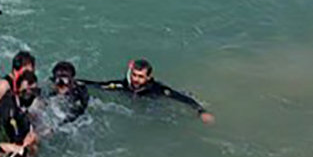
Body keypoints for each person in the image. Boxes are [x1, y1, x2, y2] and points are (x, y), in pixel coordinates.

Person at [81, 59, 215, 124]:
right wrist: (74, 82)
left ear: (148, 77)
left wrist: (201, 111)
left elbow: (183, 98)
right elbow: (97, 85)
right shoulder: (123, 85)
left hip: (156, 104)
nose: (136, 79)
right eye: (134, 75)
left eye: (140, 77)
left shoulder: (157, 89)